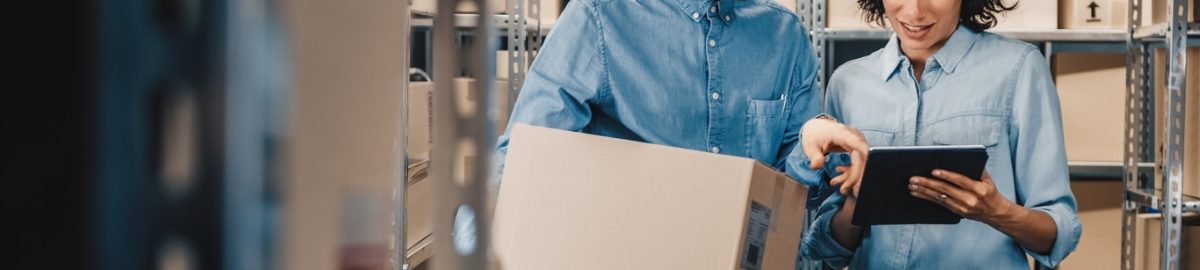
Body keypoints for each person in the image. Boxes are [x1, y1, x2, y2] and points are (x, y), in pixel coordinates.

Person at [796, 0, 1082, 268]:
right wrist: (860, 200)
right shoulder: (848, 83)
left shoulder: (1018, 69)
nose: (915, 11)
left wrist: (997, 212)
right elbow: (830, 251)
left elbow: (1058, 233)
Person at [494, 0, 869, 192]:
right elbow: (518, 163)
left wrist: (808, 146)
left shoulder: (784, 35)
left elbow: (790, 191)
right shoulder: (599, 19)